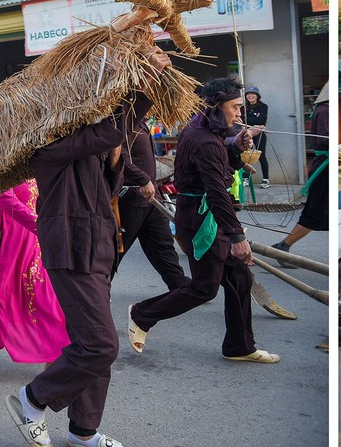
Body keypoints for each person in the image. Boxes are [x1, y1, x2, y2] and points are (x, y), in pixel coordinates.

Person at [7, 47, 168, 447]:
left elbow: (106, 180)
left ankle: (83, 432)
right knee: (100, 345)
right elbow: (107, 132)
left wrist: (114, 162)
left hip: (98, 247)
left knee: (91, 343)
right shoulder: (46, 142)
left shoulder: (91, 143)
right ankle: (31, 399)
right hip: (69, 247)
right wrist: (145, 83)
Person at [127, 77, 280, 367]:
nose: (239, 113)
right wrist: (238, 237)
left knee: (239, 278)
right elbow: (217, 190)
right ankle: (142, 314)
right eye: (235, 107)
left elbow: (221, 156)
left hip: (205, 213)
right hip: (201, 220)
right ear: (217, 106)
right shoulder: (203, 140)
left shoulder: (202, 127)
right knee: (204, 287)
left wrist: (235, 145)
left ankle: (239, 346)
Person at [0, 179, 71, 374]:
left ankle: (57, 349)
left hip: (29, 240)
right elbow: (8, 202)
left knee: (42, 293)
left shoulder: (31, 166)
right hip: (0, 240)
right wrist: (41, 226)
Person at [112, 104, 189, 293]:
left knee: (162, 244)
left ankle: (178, 283)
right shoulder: (123, 122)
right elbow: (118, 157)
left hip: (152, 197)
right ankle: (96, 289)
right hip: (131, 198)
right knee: (115, 251)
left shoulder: (141, 123)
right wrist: (143, 178)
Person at [276, 86, 330, 255]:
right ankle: (284, 245)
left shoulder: (323, 110)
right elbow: (324, 139)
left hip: (326, 165)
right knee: (315, 212)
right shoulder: (324, 110)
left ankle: (284, 245)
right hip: (325, 167)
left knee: (321, 212)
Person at [241, 87, 272, 182]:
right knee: (246, 155)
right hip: (246, 134)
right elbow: (241, 119)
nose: (250, 96)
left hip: (259, 134)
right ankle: (246, 178)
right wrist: (254, 121)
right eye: (248, 94)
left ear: (257, 96)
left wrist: (247, 120)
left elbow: (260, 120)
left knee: (261, 156)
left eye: (253, 94)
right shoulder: (243, 107)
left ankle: (266, 179)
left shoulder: (263, 106)